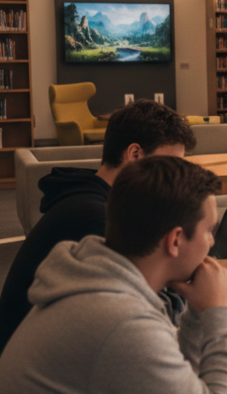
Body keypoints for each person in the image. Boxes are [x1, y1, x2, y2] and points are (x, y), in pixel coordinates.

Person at [0, 157, 227, 394]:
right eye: (209, 231)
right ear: (174, 240)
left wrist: (199, 313)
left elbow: (175, 385)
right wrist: (219, 315)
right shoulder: (117, 322)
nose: (212, 243)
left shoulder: (102, 278)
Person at [0, 100, 196, 353]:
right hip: (37, 370)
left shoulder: (97, 200)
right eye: (170, 166)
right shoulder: (96, 219)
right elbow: (148, 319)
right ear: (134, 154)